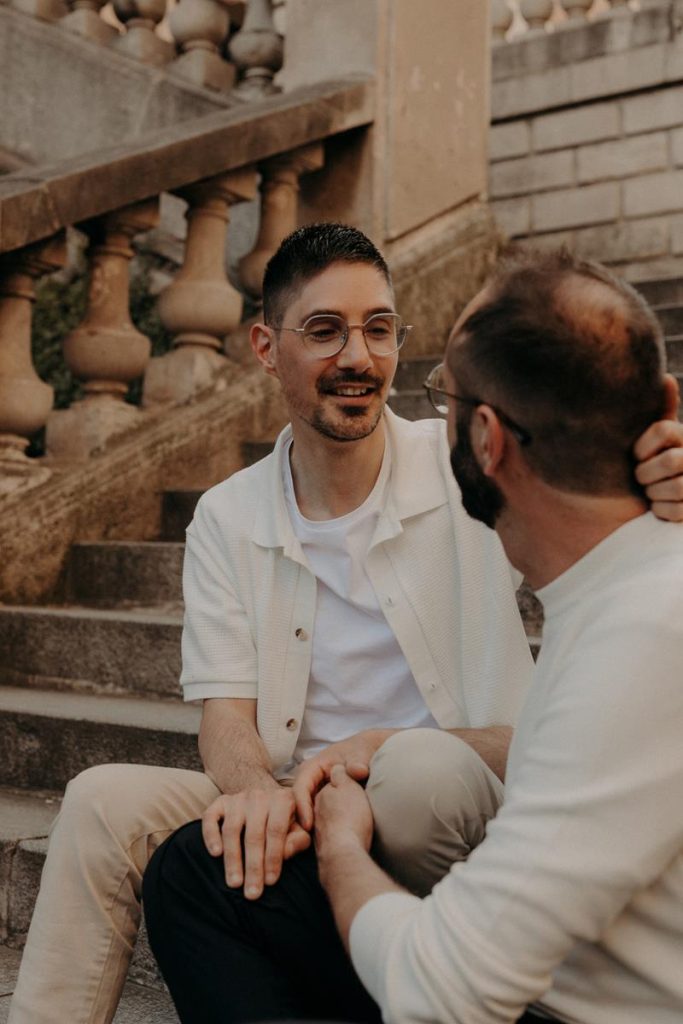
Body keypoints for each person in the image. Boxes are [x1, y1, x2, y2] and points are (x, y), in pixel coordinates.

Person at [9, 229, 683, 1024]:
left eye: (378, 329)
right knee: (99, 801)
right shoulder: (227, 514)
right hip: (304, 789)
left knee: (413, 772)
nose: (359, 356)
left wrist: (659, 481)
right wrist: (259, 793)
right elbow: (226, 713)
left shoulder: (467, 458)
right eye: (325, 330)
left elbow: (584, 502)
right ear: (266, 346)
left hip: (457, 781)